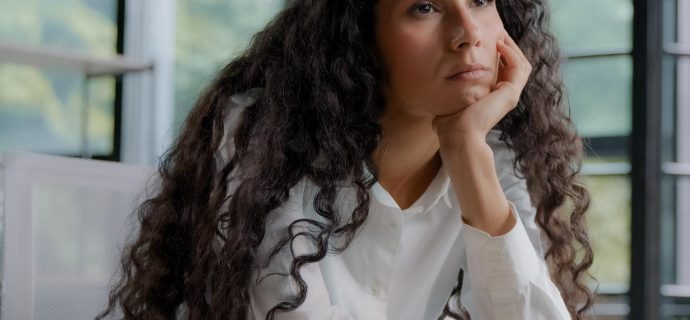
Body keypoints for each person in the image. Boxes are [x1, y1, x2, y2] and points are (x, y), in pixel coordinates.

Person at [99, 0, 594, 319]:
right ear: (359, 35)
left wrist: (466, 150)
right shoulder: (263, 137)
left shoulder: (496, 155)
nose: (468, 33)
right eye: (424, 7)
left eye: (481, 0)